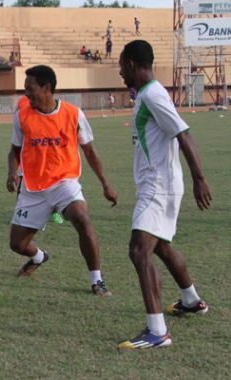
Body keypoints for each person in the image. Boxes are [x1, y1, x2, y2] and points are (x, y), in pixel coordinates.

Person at [117, 40, 212, 349]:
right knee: (161, 247)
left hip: (159, 186)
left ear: (131, 63)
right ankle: (191, 300)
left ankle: (157, 332)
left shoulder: (154, 95)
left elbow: (183, 134)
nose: (120, 72)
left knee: (139, 250)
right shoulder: (146, 94)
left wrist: (200, 178)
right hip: (159, 184)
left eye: (121, 66)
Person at [7, 65, 118, 296]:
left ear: (47, 88)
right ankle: (39, 257)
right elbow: (14, 151)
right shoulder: (22, 116)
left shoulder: (74, 114)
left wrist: (105, 184)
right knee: (17, 244)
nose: (25, 94)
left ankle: (96, 280)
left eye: (30, 88)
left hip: (64, 182)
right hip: (33, 188)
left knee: (82, 218)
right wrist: (11, 173)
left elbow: (89, 151)